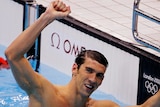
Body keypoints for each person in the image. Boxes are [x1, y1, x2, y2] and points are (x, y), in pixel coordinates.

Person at [5, 0, 160, 107]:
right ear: (74, 68)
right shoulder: (44, 93)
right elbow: (13, 55)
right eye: (89, 70)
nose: (93, 79)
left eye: (99, 75)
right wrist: (46, 17)